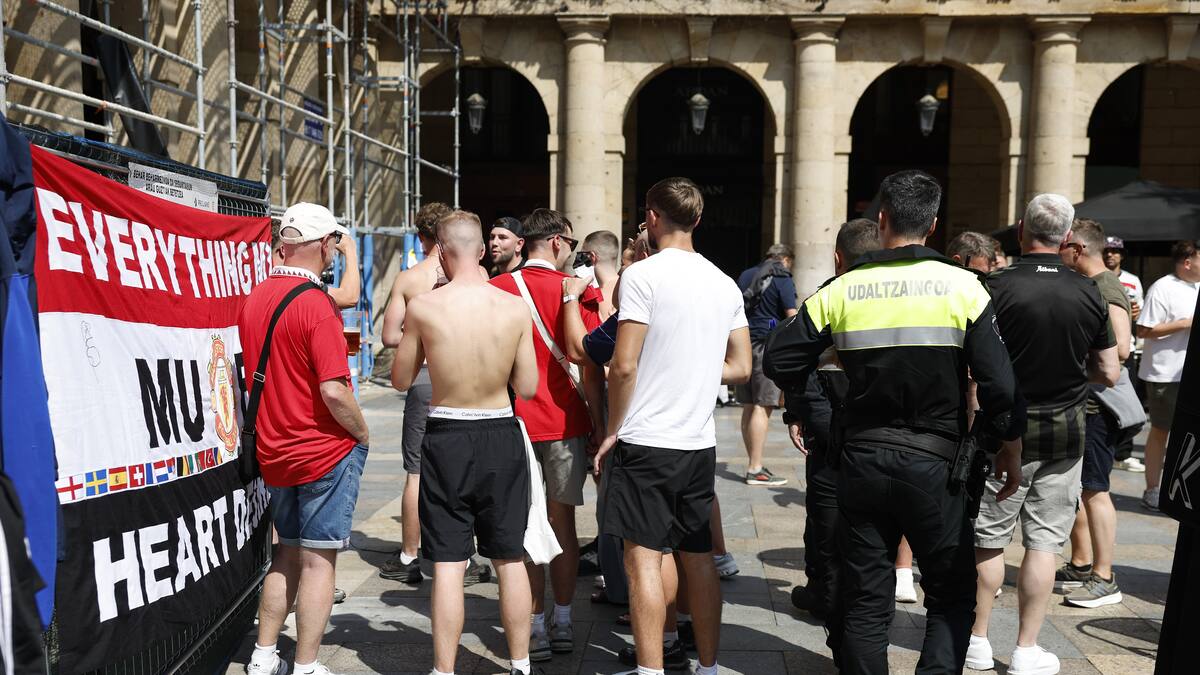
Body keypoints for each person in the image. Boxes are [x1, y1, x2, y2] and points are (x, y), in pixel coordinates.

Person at [764, 170, 1023, 674]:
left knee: (865, 597)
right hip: (938, 462)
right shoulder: (964, 286)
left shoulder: (844, 287)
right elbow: (1001, 387)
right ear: (932, 224)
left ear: (880, 219)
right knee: (949, 594)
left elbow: (781, 360)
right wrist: (993, 441)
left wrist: (823, 408)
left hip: (861, 458)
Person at [594, 177, 752, 675]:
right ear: (698, 220)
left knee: (641, 559)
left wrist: (612, 429)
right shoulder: (724, 281)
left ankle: (650, 669)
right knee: (697, 556)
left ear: (651, 216)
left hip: (646, 438)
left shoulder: (642, 277)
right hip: (696, 441)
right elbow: (742, 366)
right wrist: (695, 366)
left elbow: (622, 365)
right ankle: (706, 667)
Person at [971, 194, 1119, 675]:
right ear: (1068, 236)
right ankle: (1025, 649)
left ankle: (975, 640)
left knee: (989, 538)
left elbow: (971, 367)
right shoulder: (1089, 290)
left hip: (1002, 427)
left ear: (1020, 230)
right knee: (1043, 544)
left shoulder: (993, 285)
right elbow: (1110, 371)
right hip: (1065, 428)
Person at [390, 211, 543, 675]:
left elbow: (399, 379)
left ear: (440, 250)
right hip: (499, 428)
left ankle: (444, 670)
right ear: (480, 251)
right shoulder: (514, 307)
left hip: (447, 432)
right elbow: (531, 387)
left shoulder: (424, 307)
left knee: (450, 565)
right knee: (510, 557)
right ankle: (520, 664)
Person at [241, 203, 370, 675]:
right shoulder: (316, 306)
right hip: (321, 450)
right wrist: (362, 432)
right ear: (321, 245)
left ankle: (261, 655)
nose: (336, 248)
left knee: (285, 553)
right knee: (318, 562)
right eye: (334, 241)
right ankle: (308, 664)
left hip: (275, 449)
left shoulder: (257, 296)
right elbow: (334, 389)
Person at [491, 208, 606, 662]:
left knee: (521, 529)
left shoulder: (494, 290)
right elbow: (591, 365)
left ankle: (532, 626)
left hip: (510, 423)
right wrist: (599, 424)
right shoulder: (575, 291)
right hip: (563, 424)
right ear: (557, 243)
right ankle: (561, 620)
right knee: (563, 526)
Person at [378, 202, 491, 585]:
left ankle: (411, 555)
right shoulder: (481, 274)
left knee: (416, 472)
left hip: (424, 376)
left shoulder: (410, 278)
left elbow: (390, 335)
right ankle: (466, 557)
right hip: (467, 373)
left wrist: (418, 336)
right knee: (466, 465)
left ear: (425, 237)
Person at [785, 218, 878, 621]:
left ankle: (827, 591)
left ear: (838, 258)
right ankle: (841, 594)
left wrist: (804, 414)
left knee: (825, 515)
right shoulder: (907, 299)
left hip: (830, 425)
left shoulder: (827, 297)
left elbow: (792, 361)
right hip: (881, 432)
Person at [1056, 218, 1132, 608]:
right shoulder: (1094, 286)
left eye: (1064, 247)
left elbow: (1120, 349)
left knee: (1096, 489)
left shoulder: (1106, 287)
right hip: (1087, 404)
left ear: (1079, 249)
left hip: (1099, 407)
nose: (1060, 253)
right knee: (1082, 488)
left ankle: (1105, 575)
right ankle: (1083, 564)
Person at [1135, 239, 1200, 510]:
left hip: (1190, 373)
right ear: (1188, 262)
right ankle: (1153, 489)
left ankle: (1181, 489)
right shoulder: (1163, 287)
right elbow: (1144, 330)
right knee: (1162, 431)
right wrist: (1185, 323)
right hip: (1165, 375)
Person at [735, 244, 798, 486]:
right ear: (784, 259)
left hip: (743, 344)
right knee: (763, 405)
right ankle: (755, 468)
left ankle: (754, 461)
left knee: (749, 405)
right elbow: (792, 315)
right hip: (766, 345)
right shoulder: (782, 276)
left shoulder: (746, 274)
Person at [1102, 236, 1146, 473]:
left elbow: (1140, 312)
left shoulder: (1132, 281)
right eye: (1107, 251)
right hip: (1101, 347)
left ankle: (1123, 453)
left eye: (1115, 251)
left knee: (1128, 403)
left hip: (1125, 347)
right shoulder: (1095, 277)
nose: (1110, 255)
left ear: (1121, 255)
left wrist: (1136, 314)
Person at [579, 230, 621, 319]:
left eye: (582, 254)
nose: (579, 259)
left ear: (592, 257)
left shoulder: (595, 296)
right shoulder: (626, 286)